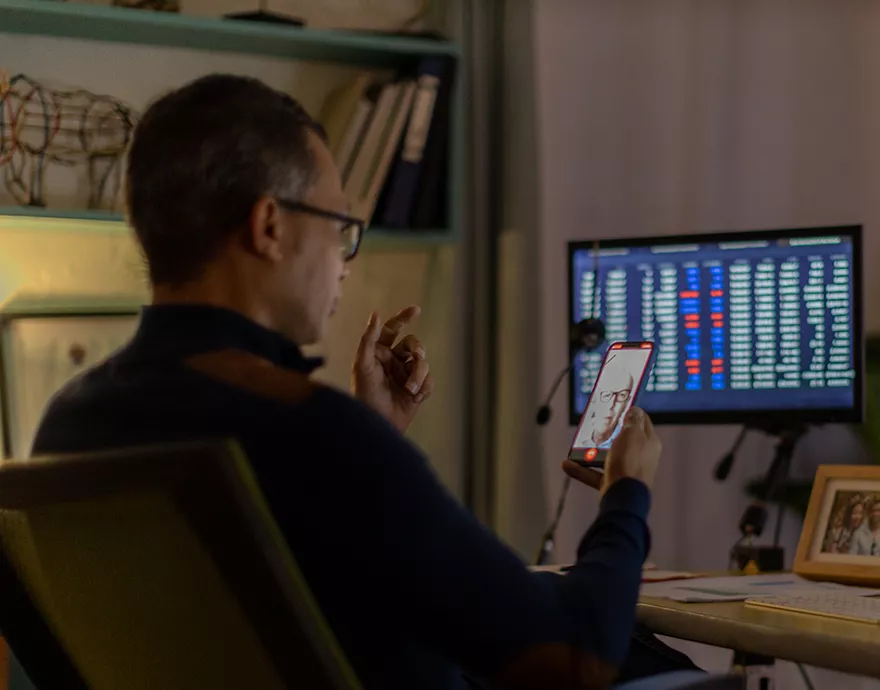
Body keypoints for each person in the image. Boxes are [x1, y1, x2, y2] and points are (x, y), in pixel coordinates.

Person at [33, 74, 697, 689]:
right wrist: (627, 492)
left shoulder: (69, 423)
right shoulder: (313, 431)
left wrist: (376, 433)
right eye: (340, 228)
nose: (346, 262)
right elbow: (576, 653)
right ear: (269, 227)